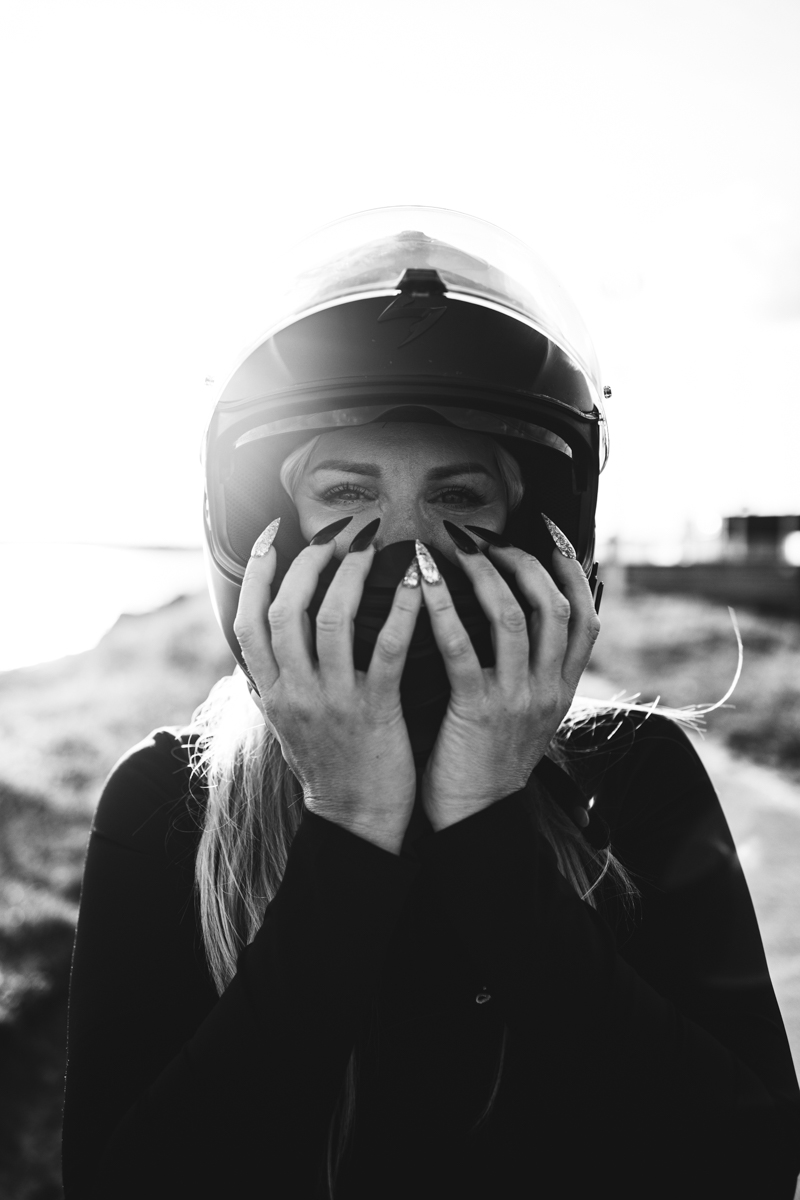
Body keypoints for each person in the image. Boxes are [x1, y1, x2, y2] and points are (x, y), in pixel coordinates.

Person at [62, 207, 800, 1199]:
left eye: (458, 498)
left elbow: (743, 1167)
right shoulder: (166, 805)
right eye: (345, 493)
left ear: (538, 536)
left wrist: (489, 824)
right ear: (264, 531)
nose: (405, 552)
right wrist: (349, 823)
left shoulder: (631, 777)